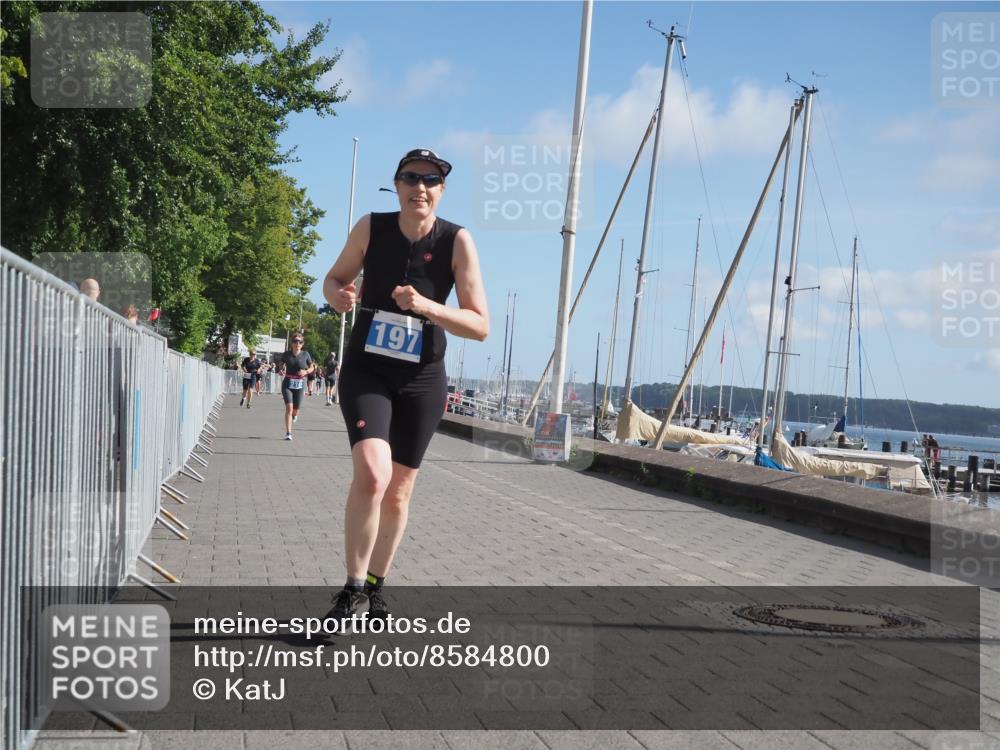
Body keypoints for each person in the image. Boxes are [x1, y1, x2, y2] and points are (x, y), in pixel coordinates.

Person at [322, 148, 489, 622]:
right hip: (368, 370)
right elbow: (334, 279)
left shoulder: (457, 240)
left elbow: (480, 326)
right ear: (396, 186)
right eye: (411, 178)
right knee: (372, 474)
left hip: (422, 377)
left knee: (398, 491)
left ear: (442, 190)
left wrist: (426, 306)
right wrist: (338, 297)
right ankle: (353, 588)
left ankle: (376, 587)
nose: (420, 187)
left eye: (431, 180)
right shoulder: (371, 228)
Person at [278, 333, 314, 440]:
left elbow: (312, 367)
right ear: (292, 343)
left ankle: (295, 415)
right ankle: (288, 433)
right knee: (289, 408)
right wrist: (280, 369)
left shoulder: (305, 354)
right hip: (287, 383)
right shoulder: (286, 354)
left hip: (300, 384)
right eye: (295, 341)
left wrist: (306, 371)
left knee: (295, 409)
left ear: (302, 344)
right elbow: (281, 363)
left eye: (300, 342)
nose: (297, 343)